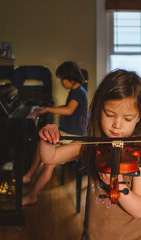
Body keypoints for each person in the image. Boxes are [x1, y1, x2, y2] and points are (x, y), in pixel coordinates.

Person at [38, 69, 141, 239]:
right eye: (109, 115)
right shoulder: (92, 144)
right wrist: (47, 138)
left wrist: (116, 184)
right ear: (99, 109)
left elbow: (139, 209)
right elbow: (49, 157)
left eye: (127, 119)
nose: (117, 125)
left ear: (139, 117)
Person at [22, 61, 88, 205]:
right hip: (67, 132)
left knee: (48, 164)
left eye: (62, 79)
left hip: (74, 136)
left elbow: (69, 110)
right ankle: (29, 176)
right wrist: (48, 108)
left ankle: (33, 195)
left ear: (70, 78)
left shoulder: (79, 93)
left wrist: (47, 110)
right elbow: (67, 107)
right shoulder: (76, 91)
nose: (61, 83)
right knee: (42, 144)